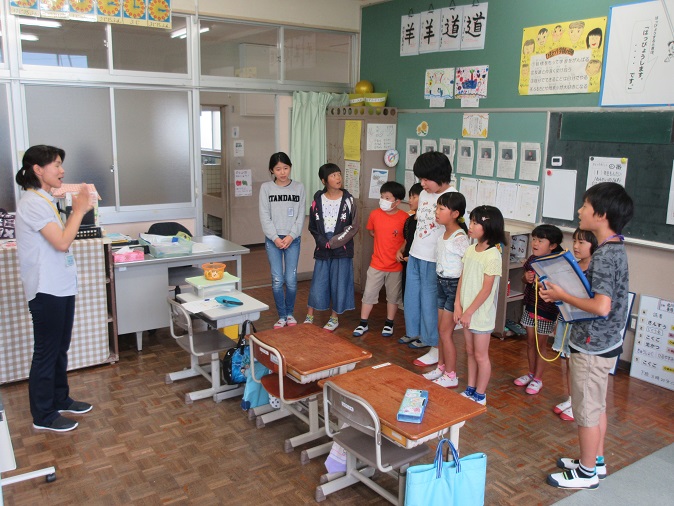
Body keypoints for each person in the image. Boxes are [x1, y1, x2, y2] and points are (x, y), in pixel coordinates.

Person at [542, 182, 633, 490]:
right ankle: (596, 460)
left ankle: (586, 472)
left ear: (602, 214)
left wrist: (563, 295)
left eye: (585, 205)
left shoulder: (605, 255)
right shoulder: (615, 247)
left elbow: (601, 306)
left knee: (586, 412)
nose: (580, 210)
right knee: (597, 406)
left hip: (592, 345)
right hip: (606, 341)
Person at [14, 145, 95, 432]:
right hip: (45, 288)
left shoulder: (45, 199)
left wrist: (73, 206)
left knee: (60, 347)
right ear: (38, 169)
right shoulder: (32, 203)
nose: (62, 171)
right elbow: (62, 242)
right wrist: (79, 210)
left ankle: (60, 398)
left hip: (60, 285)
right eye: (57, 165)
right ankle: (43, 415)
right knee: (47, 351)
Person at [399, 152, 456, 367]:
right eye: (420, 179)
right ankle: (421, 336)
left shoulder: (452, 197)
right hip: (416, 254)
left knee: (431, 304)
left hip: (434, 260)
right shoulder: (424, 194)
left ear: (439, 176)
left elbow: (455, 231)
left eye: (426, 179)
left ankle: (435, 347)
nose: (422, 184)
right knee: (413, 300)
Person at [454, 205, 505, 405]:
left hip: (480, 315)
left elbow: (486, 289)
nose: (471, 225)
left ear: (489, 227)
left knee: (480, 355)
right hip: (466, 312)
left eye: (476, 223)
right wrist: (458, 305)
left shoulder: (493, 255)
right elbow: (462, 278)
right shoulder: (470, 250)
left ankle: (481, 394)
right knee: (469, 351)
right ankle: (470, 388)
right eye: (471, 221)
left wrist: (469, 312)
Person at [422, 192, 469, 388]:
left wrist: (458, 301)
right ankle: (441, 367)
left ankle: (451, 374)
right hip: (441, 283)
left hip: (454, 287)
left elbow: (466, 268)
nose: (436, 212)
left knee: (445, 332)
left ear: (455, 214)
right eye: (437, 208)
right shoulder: (443, 234)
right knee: (441, 330)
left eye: (441, 208)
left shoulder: (460, 238)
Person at [305, 163, 358, 331]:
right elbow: (313, 227)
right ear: (324, 180)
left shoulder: (349, 200)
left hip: (342, 248)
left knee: (339, 283)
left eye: (339, 174)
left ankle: (334, 318)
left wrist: (334, 242)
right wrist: (323, 241)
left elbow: (353, 226)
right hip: (323, 247)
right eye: (333, 175)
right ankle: (309, 316)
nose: (338, 178)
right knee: (318, 281)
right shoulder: (317, 200)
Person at [552, 228, 598, 422]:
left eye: (582, 242)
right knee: (569, 362)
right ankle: (572, 399)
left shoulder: (596, 270)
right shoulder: (574, 266)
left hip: (583, 325)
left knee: (580, 368)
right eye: (575, 241)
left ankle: (580, 405)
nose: (576, 246)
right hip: (567, 320)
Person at [352, 181, 408, 338]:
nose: (383, 200)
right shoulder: (375, 214)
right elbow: (371, 231)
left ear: (397, 201)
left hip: (395, 266)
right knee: (369, 294)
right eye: (382, 196)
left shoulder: (404, 218)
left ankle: (389, 323)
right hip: (376, 263)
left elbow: (407, 239)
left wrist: (399, 249)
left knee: (393, 297)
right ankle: (363, 323)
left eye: (387, 198)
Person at [513, 224, 564, 395]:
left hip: (546, 311)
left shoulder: (556, 264)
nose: (535, 243)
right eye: (534, 239)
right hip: (530, 306)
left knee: (540, 345)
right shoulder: (532, 260)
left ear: (552, 245)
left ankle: (538, 378)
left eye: (540, 240)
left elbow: (557, 289)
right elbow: (524, 279)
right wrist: (526, 278)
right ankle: (531, 373)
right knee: (530, 342)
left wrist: (540, 283)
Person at [259, 152, 306, 329]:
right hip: (273, 240)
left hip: (293, 239)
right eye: (278, 169)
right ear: (272, 170)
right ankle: (282, 316)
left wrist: (291, 235)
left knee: (291, 279)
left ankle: (290, 313)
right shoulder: (266, 188)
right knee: (277, 279)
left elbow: (300, 215)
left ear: (290, 168)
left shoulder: (299, 187)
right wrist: (275, 237)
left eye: (285, 168)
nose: (282, 172)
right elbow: (264, 215)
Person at [397, 183, 422, 309]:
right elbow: (407, 240)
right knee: (407, 297)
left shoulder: (426, 223)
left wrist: (412, 258)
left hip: (418, 265)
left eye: (414, 197)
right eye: (410, 197)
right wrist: (400, 251)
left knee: (418, 300)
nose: (410, 201)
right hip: (406, 264)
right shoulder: (409, 220)